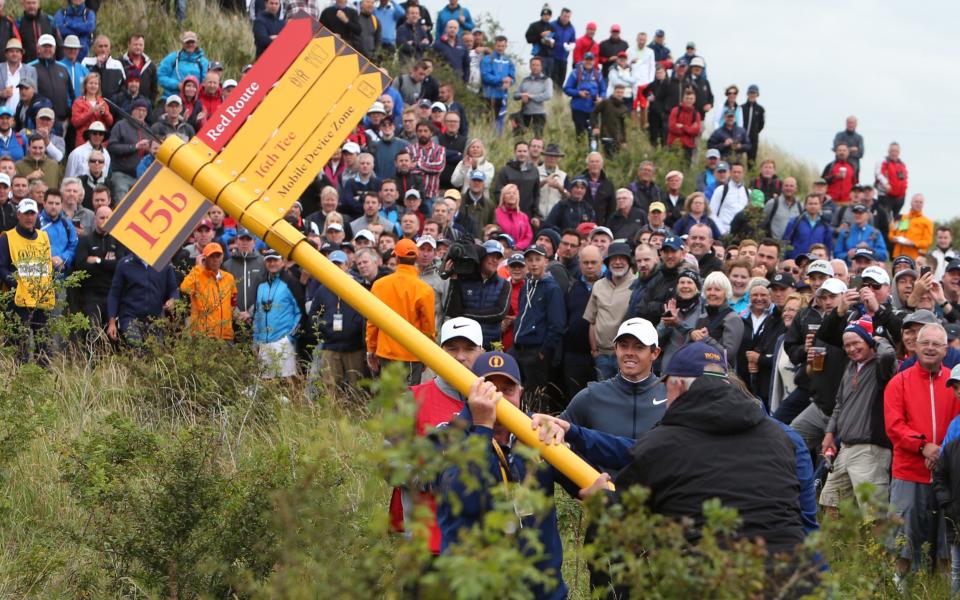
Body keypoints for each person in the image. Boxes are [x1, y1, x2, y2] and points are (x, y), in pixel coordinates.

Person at [576, 342, 808, 559]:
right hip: (793, 579)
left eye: (665, 390)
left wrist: (602, 501)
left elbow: (625, 513)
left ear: (676, 386)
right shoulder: (780, 438)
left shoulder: (662, 445)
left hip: (709, 582)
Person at [435, 350, 572, 600]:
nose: (498, 399)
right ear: (471, 394)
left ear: (521, 393)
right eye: (489, 389)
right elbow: (466, 499)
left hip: (542, 591)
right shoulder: (448, 437)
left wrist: (570, 434)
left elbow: (583, 482)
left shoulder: (537, 433)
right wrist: (482, 428)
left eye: (507, 390)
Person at [885, 323, 960, 581]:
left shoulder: (955, 382)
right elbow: (894, 426)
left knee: (946, 543)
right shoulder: (899, 382)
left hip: (949, 473)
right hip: (909, 470)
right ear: (915, 346)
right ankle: (896, 591)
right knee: (902, 539)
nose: (930, 348)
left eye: (936, 344)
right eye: (925, 342)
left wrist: (942, 453)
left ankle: (943, 591)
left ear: (945, 349)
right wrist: (923, 446)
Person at [819, 318, 895, 516]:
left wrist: (875, 339)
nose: (851, 349)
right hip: (845, 447)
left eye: (856, 343)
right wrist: (829, 433)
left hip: (870, 449)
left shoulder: (881, 366)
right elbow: (839, 405)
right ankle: (834, 547)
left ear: (868, 341)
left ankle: (877, 548)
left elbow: (888, 354)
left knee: (873, 513)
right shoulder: (851, 367)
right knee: (830, 503)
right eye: (847, 345)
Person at [561, 315, 666, 441]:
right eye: (623, 346)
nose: (629, 353)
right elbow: (556, 432)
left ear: (655, 353)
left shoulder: (670, 396)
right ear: (616, 349)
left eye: (639, 347)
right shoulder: (592, 395)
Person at [366, 238, 435, 385]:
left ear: (396, 258)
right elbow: (428, 329)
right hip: (412, 355)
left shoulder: (379, 285)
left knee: (388, 402)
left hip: (386, 354)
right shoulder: (425, 290)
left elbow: (372, 322)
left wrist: (371, 349)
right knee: (407, 402)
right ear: (416, 258)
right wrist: (426, 356)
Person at [510, 243, 565, 411]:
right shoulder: (527, 285)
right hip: (519, 347)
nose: (533, 264)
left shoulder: (551, 288)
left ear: (545, 262)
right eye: (530, 260)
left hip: (536, 351)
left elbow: (557, 324)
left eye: (537, 259)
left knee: (536, 397)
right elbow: (522, 314)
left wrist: (543, 351)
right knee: (516, 390)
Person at [0, 198, 54, 361]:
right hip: (17, 300)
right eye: (26, 214)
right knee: (17, 346)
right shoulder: (7, 238)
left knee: (43, 345)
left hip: (41, 299)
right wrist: (15, 282)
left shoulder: (44, 236)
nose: (29, 217)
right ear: (18, 215)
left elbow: (48, 264)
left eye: (32, 213)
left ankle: (42, 380)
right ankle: (16, 380)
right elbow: (1, 267)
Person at [585, 242, 634, 379]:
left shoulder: (637, 285)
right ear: (608, 262)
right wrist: (594, 350)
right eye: (614, 258)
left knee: (624, 396)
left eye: (622, 258)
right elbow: (592, 320)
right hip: (602, 356)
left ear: (629, 261)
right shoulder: (598, 285)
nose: (618, 262)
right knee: (604, 397)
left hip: (627, 355)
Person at [251, 250, 302, 380]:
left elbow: (300, 312)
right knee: (267, 384)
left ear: (282, 261)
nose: (272, 263)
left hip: (283, 340)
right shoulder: (260, 283)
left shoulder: (290, 281)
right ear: (265, 263)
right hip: (264, 341)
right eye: (269, 260)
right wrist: (256, 339)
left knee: (287, 383)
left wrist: (290, 337)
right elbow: (258, 313)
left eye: (275, 260)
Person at [179, 242, 238, 341]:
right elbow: (184, 288)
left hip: (226, 335)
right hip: (203, 336)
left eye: (218, 256)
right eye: (211, 256)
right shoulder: (197, 275)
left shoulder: (229, 278)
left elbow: (233, 303)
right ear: (204, 258)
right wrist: (198, 267)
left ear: (222, 257)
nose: (215, 259)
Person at [156, 30, 208, 99]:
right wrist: (177, 85)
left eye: (192, 42)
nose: (190, 44)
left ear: (196, 43)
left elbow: (206, 83)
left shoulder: (203, 62)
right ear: (183, 44)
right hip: (170, 97)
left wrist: (192, 89)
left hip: (193, 100)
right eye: (187, 42)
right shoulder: (173, 57)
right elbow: (160, 76)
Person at [562, 51, 603, 138]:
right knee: (580, 135)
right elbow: (566, 89)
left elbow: (603, 90)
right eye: (586, 60)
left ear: (594, 61)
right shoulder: (575, 73)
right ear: (583, 60)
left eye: (590, 60)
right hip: (578, 109)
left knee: (594, 136)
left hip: (593, 110)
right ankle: (580, 150)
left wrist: (601, 99)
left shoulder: (598, 74)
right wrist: (578, 93)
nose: (588, 62)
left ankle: (593, 151)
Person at [479, 35, 514, 133]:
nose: (500, 48)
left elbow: (512, 76)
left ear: (506, 46)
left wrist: (509, 81)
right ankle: (487, 136)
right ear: (495, 45)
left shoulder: (509, 61)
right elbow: (485, 76)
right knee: (488, 119)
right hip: (488, 95)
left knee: (500, 118)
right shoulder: (487, 59)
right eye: (499, 46)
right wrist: (502, 80)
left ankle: (498, 138)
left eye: (503, 46)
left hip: (503, 95)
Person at [783, 194, 832, 260]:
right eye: (810, 203)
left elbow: (828, 247)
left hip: (816, 262)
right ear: (805, 205)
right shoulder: (795, 222)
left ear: (820, 205)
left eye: (815, 204)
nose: (813, 206)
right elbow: (786, 242)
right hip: (797, 260)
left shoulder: (825, 225)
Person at [512, 56, 551, 137]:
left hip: (539, 114)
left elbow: (548, 95)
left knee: (537, 139)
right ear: (530, 66)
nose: (535, 67)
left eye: (537, 65)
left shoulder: (546, 80)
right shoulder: (525, 80)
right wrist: (522, 95)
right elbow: (515, 95)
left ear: (541, 67)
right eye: (533, 65)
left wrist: (530, 96)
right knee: (519, 137)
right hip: (524, 114)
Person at [889, 193, 933, 261]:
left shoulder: (927, 222)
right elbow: (892, 233)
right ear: (911, 202)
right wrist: (893, 238)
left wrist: (913, 243)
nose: (918, 204)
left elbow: (927, 242)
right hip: (898, 256)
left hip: (914, 258)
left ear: (923, 204)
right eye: (916, 201)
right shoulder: (902, 218)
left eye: (920, 202)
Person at [708, 162, 748, 237]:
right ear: (730, 173)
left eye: (739, 172)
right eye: (734, 172)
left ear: (743, 174)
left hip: (741, 234)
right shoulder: (721, 190)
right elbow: (711, 213)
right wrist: (722, 232)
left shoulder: (748, 192)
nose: (736, 174)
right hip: (724, 233)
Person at [591, 83, 628, 156]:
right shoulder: (606, 103)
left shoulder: (624, 108)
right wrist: (595, 126)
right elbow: (594, 113)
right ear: (614, 92)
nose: (619, 94)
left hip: (617, 139)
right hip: (606, 136)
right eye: (618, 92)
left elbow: (623, 126)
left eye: (621, 92)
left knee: (615, 160)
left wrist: (624, 141)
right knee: (609, 157)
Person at [666, 87, 700, 161]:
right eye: (687, 98)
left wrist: (682, 126)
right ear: (683, 99)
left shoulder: (696, 114)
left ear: (694, 100)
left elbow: (696, 131)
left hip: (688, 147)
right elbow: (672, 127)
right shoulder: (675, 110)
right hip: (674, 145)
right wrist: (689, 129)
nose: (689, 101)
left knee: (685, 170)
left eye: (691, 99)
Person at [741, 84, 764, 167]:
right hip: (741, 137)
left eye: (754, 93)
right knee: (738, 160)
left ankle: (750, 177)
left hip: (753, 139)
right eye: (750, 92)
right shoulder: (741, 108)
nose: (752, 95)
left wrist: (754, 132)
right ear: (747, 93)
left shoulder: (760, 109)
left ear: (757, 94)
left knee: (751, 161)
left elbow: (761, 124)